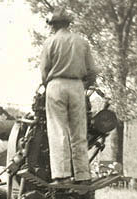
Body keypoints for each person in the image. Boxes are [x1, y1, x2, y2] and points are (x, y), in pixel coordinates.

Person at [39, 9, 99, 185]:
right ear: (68, 24)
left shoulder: (49, 42)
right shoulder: (82, 42)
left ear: (54, 25)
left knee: (58, 131)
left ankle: (62, 175)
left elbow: (44, 71)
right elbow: (93, 71)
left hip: (56, 85)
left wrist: (47, 84)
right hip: (77, 86)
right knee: (79, 132)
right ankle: (82, 176)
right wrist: (84, 85)